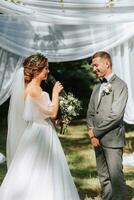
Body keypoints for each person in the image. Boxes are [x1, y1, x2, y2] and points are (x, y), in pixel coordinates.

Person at [0, 53, 80, 200]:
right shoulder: (35, 90)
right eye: (46, 68)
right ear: (36, 71)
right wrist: (55, 93)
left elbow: (41, 113)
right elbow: (53, 112)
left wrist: (57, 121)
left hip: (38, 129)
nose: (48, 71)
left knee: (37, 168)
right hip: (41, 134)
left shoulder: (32, 88)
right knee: (41, 168)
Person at [87, 51, 128, 200]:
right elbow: (90, 112)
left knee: (116, 178)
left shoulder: (120, 85)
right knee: (103, 177)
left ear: (107, 63)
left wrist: (95, 132)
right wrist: (91, 133)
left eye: (96, 65)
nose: (94, 69)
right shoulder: (97, 87)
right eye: (92, 66)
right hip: (96, 139)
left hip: (112, 139)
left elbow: (115, 115)